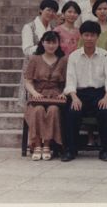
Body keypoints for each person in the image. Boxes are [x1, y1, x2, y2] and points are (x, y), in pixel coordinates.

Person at [62, 21, 107, 162]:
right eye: (86, 35)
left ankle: (105, 151)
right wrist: (74, 98)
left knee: (105, 112)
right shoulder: (74, 56)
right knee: (72, 113)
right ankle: (70, 150)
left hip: (99, 94)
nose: (89, 38)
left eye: (92, 35)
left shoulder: (105, 55)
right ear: (81, 36)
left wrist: (106, 97)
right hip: (79, 94)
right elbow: (70, 80)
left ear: (97, 37)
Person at [23, 31, 67, 161]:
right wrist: (34, 93)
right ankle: (37, 145)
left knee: (53, 110)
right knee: (38, 110)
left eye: (54, 42)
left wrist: (63, 93)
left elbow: (68, 81)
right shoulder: (35, 59)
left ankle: (47, 145)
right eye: (48, 42)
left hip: (55, 96)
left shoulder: (63, 60)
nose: (51, 45)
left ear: (58, 44)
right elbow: (28, 81)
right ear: (42, 43)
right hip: (38, 95)